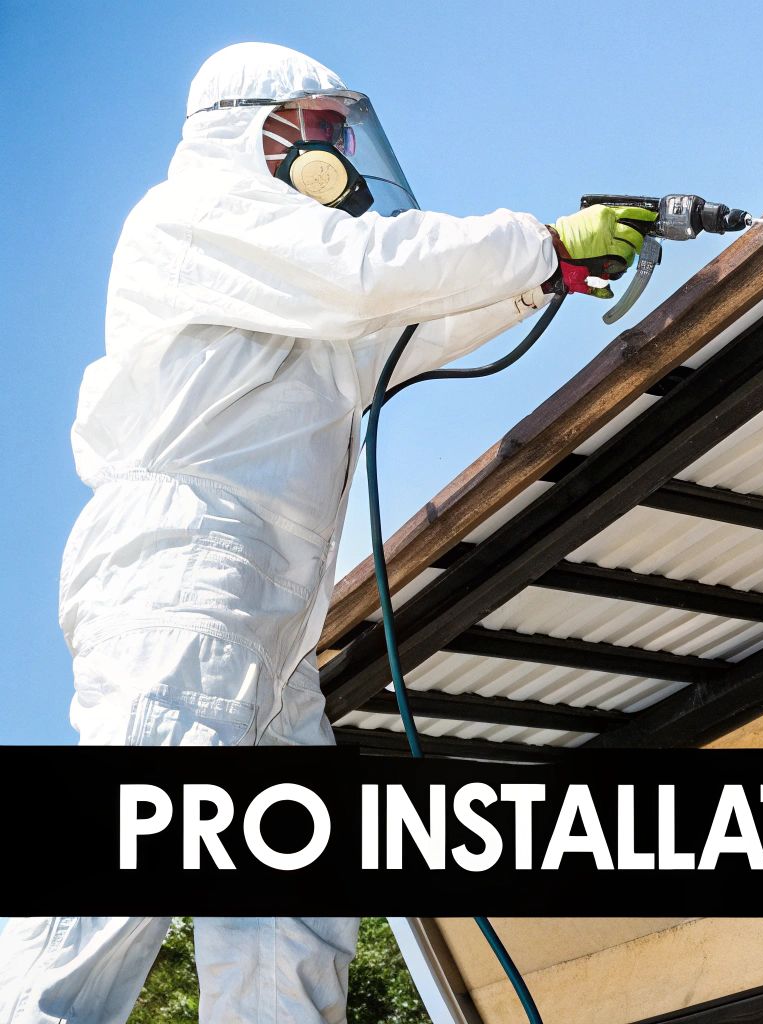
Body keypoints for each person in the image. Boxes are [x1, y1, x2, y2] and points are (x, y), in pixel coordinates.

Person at [0, 41, 653, 1024]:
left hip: (273, 614)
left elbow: (397, 331)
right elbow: (369, 272)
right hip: (185, 570)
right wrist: (535, 238)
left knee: (294, 904)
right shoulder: (195, 217)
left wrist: (542, 276)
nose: (338, 156)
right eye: (322, 132)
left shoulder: (292, 295)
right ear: (256, 133)